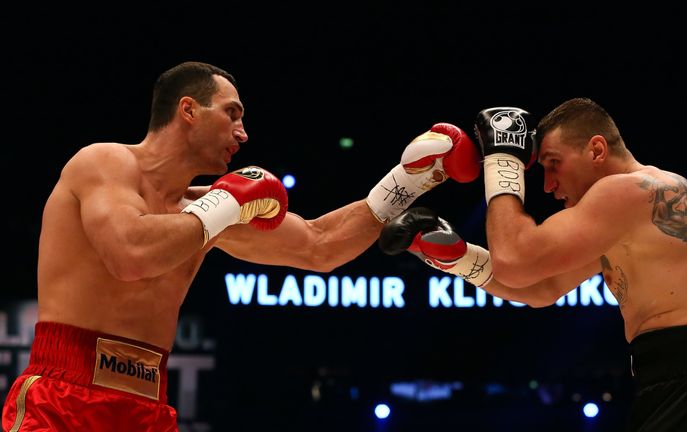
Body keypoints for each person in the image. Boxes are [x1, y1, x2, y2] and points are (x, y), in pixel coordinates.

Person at [1, 61, 481, 432]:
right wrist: (225, 203)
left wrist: (412, 179)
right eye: (232, 113)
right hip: (63, 397)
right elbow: (130, 255)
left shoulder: (208, 210)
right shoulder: (103, 163)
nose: (243, 133)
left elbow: (320, 246)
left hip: (148, 407)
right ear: (188, 109)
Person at [379, 98, 687, 431]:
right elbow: (541, 288)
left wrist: (503, 160)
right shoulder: (637, 207)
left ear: (596, 150)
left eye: (553, 163)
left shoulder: (629, 191)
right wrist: (456, 257)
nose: (548, 185)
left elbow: (515, 261)